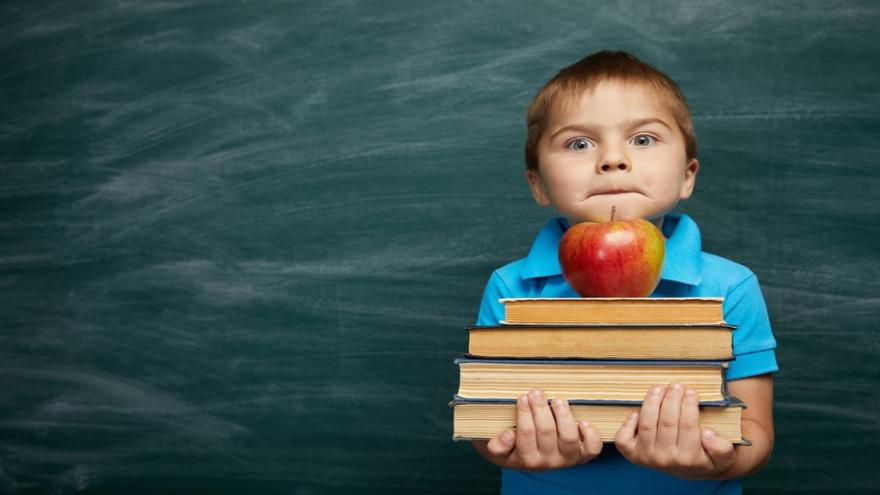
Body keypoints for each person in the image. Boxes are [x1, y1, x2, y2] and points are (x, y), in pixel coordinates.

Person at [470, 50, 778, 494]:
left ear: (687, 176)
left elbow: (756, 434)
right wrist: (507, 448)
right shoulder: (510, 287)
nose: (613, 160)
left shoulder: (730, 287)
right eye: (579, 143)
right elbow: (481, 423)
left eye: (644, 139)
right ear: (538, 183)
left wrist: (714, 461)